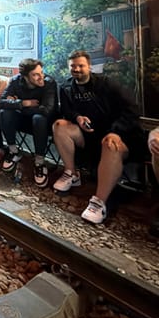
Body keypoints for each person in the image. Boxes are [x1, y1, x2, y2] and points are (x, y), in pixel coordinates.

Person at [52, 50, 145, 224]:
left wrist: (116, 131)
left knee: (109, 143)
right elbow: (67, 111)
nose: (77, 69)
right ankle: (72, 174)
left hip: (118, 135)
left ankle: (99, 202)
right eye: (73, 66)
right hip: (89, 136)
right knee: (59, 126)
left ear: (89, 66)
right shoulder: (66, 87)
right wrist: (77, 118)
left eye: (81, 65)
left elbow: (132, 110)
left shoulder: (106, 84)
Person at [0, 58, 58, 187]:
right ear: (24, 76)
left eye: (41, 72)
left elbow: (47, 110)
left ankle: (39, 162)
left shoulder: (49, 83)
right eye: (35, 74)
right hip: (23, 121)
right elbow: (1, 102)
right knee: (4, 112)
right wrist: (24, 103)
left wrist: (17, 104)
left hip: (43, 124)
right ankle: (13, 151)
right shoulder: (15, 81)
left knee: (39, 118)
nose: (40, 77)